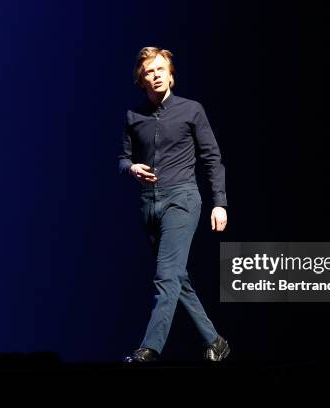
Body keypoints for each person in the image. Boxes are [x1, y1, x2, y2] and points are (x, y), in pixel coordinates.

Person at [119, 46, 230, 363]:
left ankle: (149, 348)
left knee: (165, 277)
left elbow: (212, 158)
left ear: (170, 74)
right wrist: (131, 168)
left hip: (182, 199)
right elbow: (122, 158)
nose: (155, 75)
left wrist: (219, 202)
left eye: (160, 69)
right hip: (149, 205)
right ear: (143, 80)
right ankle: (215, 340)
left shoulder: (192, 110)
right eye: (149, 72)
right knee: (176, 278)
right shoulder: (134, 116)